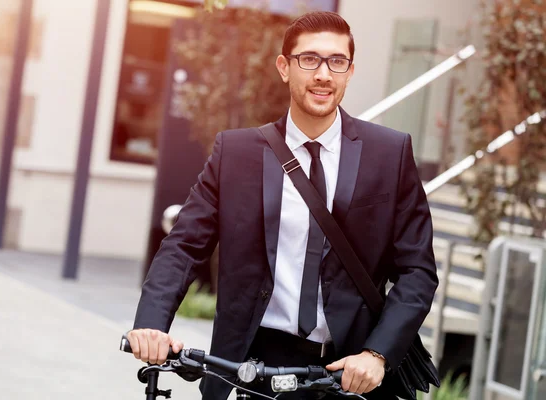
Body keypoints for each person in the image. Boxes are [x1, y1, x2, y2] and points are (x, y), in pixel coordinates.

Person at [127, 11, 439, 400]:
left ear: (350, 71)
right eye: (309, 59)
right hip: (247, 368)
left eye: (336, 62)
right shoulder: (235, 152)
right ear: (284, 67)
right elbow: (184, 246)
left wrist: (377, 355)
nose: (324, 74)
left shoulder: (389, 153)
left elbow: (417, 271)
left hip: (345, 375)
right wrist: (152, 323)